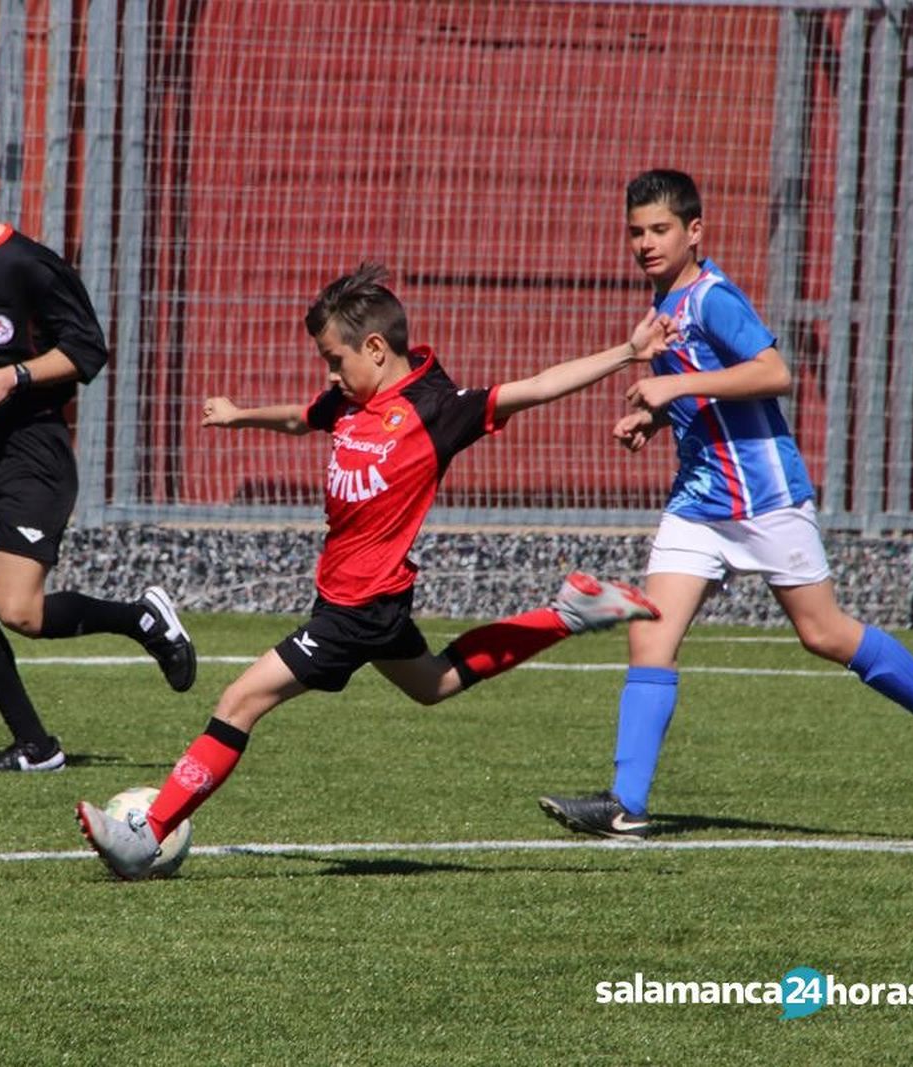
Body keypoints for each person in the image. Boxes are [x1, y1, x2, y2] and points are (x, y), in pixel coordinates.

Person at [76, 262, 674, 878]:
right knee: (434, 683)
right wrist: (239, 415)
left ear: (376, 349)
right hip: (363, 599)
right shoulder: (347, 402)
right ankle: (568, 614)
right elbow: (299, 417)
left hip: (358, 609)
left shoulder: (435, 410)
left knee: (239, 702)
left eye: (335, 360)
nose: (330, 375)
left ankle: (147, 834)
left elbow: (540, 386)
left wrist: (628, 353)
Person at [538, 169, 913, 840]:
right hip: (699, 500)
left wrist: (673, 389)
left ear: (695, 231)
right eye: (636, 232)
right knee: (650, 632)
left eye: (660, 229)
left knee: (824, 633)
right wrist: (656, 417)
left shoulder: (712, 297)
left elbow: (773, 372)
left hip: (764, 499)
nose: (646, 243)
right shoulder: (664, 300)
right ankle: (624, 804)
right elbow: (707, 392)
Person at [0, 121, 195, 773]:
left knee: (19, 610)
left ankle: (142, 619)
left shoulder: (30, 266)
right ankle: (36, 747)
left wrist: (13, 375)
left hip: (33, 453)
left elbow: (88, 351)